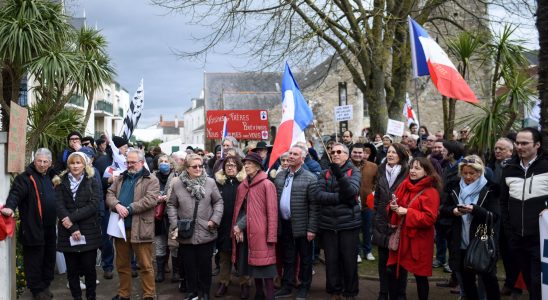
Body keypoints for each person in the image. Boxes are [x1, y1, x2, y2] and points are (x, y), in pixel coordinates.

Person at [441, 155, 501, 300]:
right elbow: (443, 209)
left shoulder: (490, 189)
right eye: (465, 173)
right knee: (467, 281)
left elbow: (494, 216)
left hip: (482, 240)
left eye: (472, 173)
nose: (468, 177)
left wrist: (474, 210)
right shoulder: (455, 188)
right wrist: (453, 211)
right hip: (460, 239)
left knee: (488, 278)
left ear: (480, 173)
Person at [1, 148, 57, 300]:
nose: (42, 164)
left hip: (50, 227)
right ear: (34, 160)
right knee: (34, 260)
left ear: (50, 163)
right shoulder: (25, 178)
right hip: (32, 227)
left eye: (45, 161)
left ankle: (45, 285)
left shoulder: (51, 176)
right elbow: (15, 193)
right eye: (39, 161)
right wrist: (10, 207)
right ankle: (36, 290)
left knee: (49, 257)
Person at [167, 153, 223, 300]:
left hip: (206, 230)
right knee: (189, 265)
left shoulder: (210, 182)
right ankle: (191, 292)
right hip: (186, 232)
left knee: (205, 265)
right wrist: (175, 224)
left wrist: (214, 219)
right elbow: (171, 204)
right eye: (195, 166)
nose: (198, 168)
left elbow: (218, 202)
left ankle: (204, 292)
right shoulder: (178, 183)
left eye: (201, 166)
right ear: (187, 168)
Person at [500, 127, 548, 300]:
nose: (519, 146)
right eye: (517, 143)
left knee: (537, 283)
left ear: (537, 145)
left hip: (541, 240)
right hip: (517, 239)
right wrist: (509, 233)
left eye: (524, 143)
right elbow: (503, 203)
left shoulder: (546, 166)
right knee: (529, 281)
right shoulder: (509, 168)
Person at [106, 149, 160, 300]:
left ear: (142, 163)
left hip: (141, 228)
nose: (129, 165)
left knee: (145, 265)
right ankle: (124, 294)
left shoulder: (151, 179)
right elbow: (109, 193)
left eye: (132, 162)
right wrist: (116, 205)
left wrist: (129, 209)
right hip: (121, 228)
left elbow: (150, 199)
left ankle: (149, 295)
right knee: (122, 265)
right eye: (127, 162)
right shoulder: (120, 178)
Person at [386, 157, 441, 300]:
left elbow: (430, 218)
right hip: (401, 236)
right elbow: (392, 205)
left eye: (417, 168)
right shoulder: (404, 185)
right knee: (392, 270)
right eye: (411, 167)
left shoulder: (431, 192)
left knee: (420, 276)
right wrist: (393, 207)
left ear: (426, 172)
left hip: (419, 240)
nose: (412, 171)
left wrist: (408, 212)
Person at [273, 144, 319, 300]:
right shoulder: (280, 176)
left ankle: (304, 287)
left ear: (303, 158)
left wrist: (312, 229)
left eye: (294, 154)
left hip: (303, 226)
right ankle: (287, 286)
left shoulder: (310, 178)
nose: (291, 156)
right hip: (284, 225)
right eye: (290, 153)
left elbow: (314, 206)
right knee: (288, 257)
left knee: (305, 259)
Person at [54, 152, 102, 300]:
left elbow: (94, 204)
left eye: (78, 163)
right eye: (72, 163)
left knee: (89, 268)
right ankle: (77, 297)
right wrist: (73, 228)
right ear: (68, 165)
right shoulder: (59, 181)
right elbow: (58, 205)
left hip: (89, 231)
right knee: (72, 270)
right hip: (68, 231)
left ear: (84, 165)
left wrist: (71, 218)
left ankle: (91, 296)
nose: (75, 166)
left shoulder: (92, 180)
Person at [317, 143, 361, 299]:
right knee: (331, 261)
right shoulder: (325, 173)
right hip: (329, 225)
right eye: (332, 151)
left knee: (349, 262)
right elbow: (320, 196)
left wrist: (340, 175)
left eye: (339, 152)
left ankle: (350, 292)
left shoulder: (354, 171)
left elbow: (351, 191)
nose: (335, 154)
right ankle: (334, 291)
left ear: (346, 155)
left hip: (348, 224)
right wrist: (342, 199)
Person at [232, 152, 278, 300]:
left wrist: (271, 235)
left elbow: (272, 212)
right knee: (253, 266)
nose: (246, 165)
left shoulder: (267, 184)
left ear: (258, 166)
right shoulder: (242, 186)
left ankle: (270, 296)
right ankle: (259, 294)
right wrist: (237, 228)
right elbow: (239, 209)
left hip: (262, 233)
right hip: (247, 232)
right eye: (245, 163)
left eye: (250, 163)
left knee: (266, 267)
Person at [371, 143, 409, 300]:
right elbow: (377, 197)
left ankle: (400, 293)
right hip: (381, 222)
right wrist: (377, 216)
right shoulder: (380, 171)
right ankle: (383, 292)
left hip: (399, 222)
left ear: (401, 155)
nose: (390, 154)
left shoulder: (407, 173)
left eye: (394, 152)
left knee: (399, 262)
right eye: (388, 152)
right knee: (383, 261)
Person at [213, 156, 251, 298]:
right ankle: (224, 282)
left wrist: (240, 226)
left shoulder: (244, 184)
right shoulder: (218, 184)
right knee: (224, 256)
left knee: (242, 256)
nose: (230, 167)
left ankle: (244, 283)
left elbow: (248, 208)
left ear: (239, 167)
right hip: (223, 226)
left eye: (233, 165)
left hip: (240, 227)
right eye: (227, 165)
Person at [490, 138, 520, 297]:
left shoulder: (514, 167)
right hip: (497, 217)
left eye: (501, 148)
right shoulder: (493, 166)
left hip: (511, 217)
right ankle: (511, 282)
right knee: (505, 252)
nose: (497, 151)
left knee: (512, 252)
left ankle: (513, 283)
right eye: (496, 148)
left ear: (510, 151)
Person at [153, 155, 177, 283]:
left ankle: (176, 272)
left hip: (171, 215)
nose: (163, 163)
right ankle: (160, 271)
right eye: (161, 161)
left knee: (174, 244)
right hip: (157, 216)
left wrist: (169, 197)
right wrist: (156, 198)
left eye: (166, 161)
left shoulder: (177, 176)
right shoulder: (152, 177)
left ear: (171, 164)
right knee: (160, 243)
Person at [353, 143, 378, 262]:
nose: (357, 155)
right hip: (352, 204)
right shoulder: (347, 166)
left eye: (360, 152)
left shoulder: (373, 166)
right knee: (355, 229)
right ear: (351, 153)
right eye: (355, 152)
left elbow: (377, 182)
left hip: (368, 203)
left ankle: (367, 251)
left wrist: (373, 193)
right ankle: (356, 252)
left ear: (364, 153)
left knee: (368, 228)